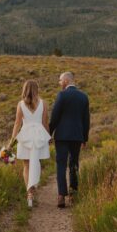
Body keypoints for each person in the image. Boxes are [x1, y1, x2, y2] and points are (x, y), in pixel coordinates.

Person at [48, 71, 90, 208]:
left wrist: (49, 132)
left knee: (61, 164)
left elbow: (55, 116)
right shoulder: (84, 97)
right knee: (74, 163)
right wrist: (85, 138)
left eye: (60, 80)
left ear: (66, 81)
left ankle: (61, 196)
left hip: (62, 136)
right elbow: (86, 120)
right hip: (77, 136)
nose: (59, 83)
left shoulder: (62, 95)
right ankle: (73, 194)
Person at [10, 79, 51, 208]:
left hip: (26, 136)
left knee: (26, 165)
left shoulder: (20, 104)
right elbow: (45, 122)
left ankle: (29, 194)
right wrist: (48, 137)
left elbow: (17, 123)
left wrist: (12, 141)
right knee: (36, 162)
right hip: (39, 135)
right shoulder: (43, 103)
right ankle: (33, 188)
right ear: (36, 89)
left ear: (24, 89)